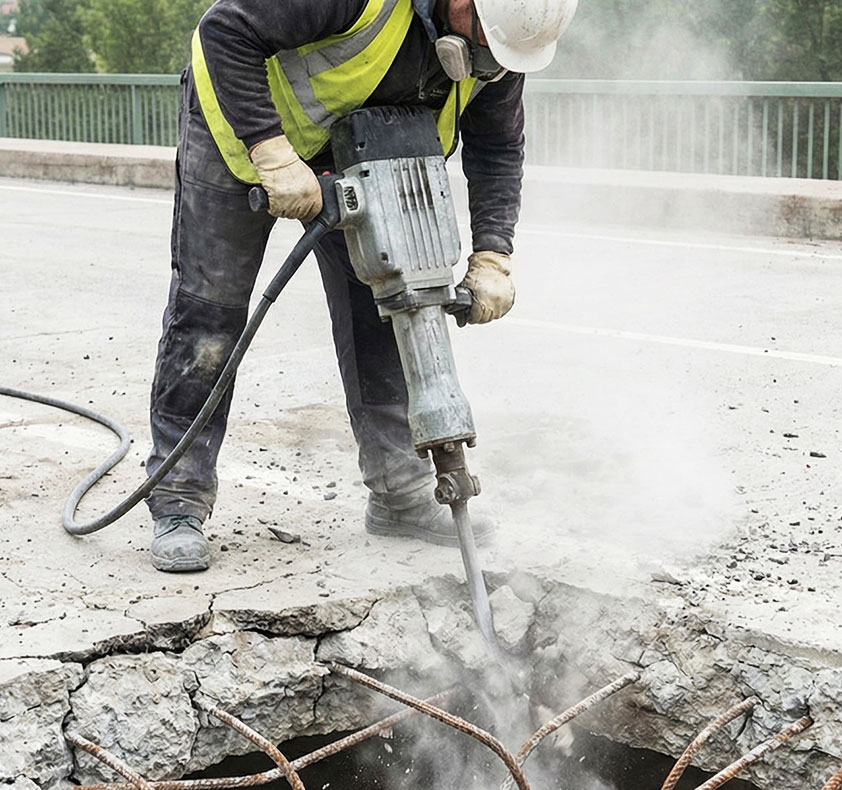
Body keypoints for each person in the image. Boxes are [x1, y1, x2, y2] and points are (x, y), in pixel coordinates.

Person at [146, 0, 576, 572]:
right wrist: (272, 154)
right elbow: (225, 32)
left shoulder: (496, 49)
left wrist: (494, 253)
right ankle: (179, 498)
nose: (490, 61)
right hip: (242, 127)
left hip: (361, 149)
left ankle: (400, 494)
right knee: (212, 311)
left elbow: (497, 147)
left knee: (387, 307)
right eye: (485, 40)